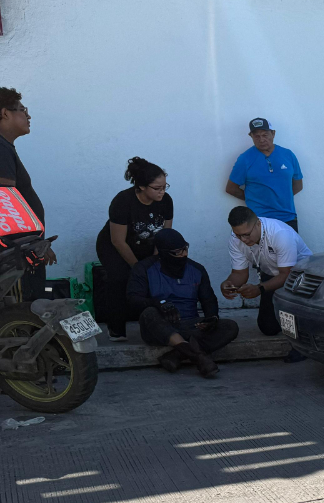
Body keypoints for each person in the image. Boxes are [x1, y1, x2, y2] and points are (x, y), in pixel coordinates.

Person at [126, 228, 237, 378]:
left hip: (190, 325)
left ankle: (176, 355)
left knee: (230, 327)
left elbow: (208, 299)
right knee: (149, 314)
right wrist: (159, 304)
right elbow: (133, 299)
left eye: (185, 249)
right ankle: (198, 357)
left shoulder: (197, 269)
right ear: (163, 252)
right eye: (177, 252)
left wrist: (212, 318)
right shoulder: (144, 269)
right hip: (160, 326)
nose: (184, 254)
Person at [95, 157, 173, 341]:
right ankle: (116, 328)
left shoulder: (166, 201)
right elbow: (118, 240)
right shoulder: (123, 201)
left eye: (165, 186)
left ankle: (155, 323)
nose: (162, 192)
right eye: (157, 188)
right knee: (120, 277)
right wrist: (138, 267)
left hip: (146, 245)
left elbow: (164, 235)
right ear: (142, 187)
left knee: (156, 275)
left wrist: (153, 262)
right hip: (114, 245)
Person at [220, 206, 312, 354]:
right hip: (273, 275)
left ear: (258, 224)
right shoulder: (235, 238)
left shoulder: (281, 234)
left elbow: (287, 275)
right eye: (238, 235)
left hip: (299, 276)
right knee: (268, 327)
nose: (243, 239)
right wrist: (229, 284)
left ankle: (301, 346)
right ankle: (293, 321)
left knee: (291, 322)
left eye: (246, 234)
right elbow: (239, 274)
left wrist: (260, 288)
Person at [0, 88, 54, 301]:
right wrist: (32, 245)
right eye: (22, 110)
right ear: (4, 113)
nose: (28, 115)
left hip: (22, 250)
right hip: (16, 254)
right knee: (25, 312)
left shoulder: (6, 147)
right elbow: (5, 205)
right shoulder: (1, 149)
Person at [225, 118, 304, 230]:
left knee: (290, 248)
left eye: (265, 135)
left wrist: (281, 197)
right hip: (259, 221)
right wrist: (256, 200)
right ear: (251, 136)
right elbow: (231, 188)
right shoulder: (245, 159)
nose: (261, 139)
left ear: (273, 133)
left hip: (288, 218)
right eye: (256, 136)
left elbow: (298, 185)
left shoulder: (288, 155)